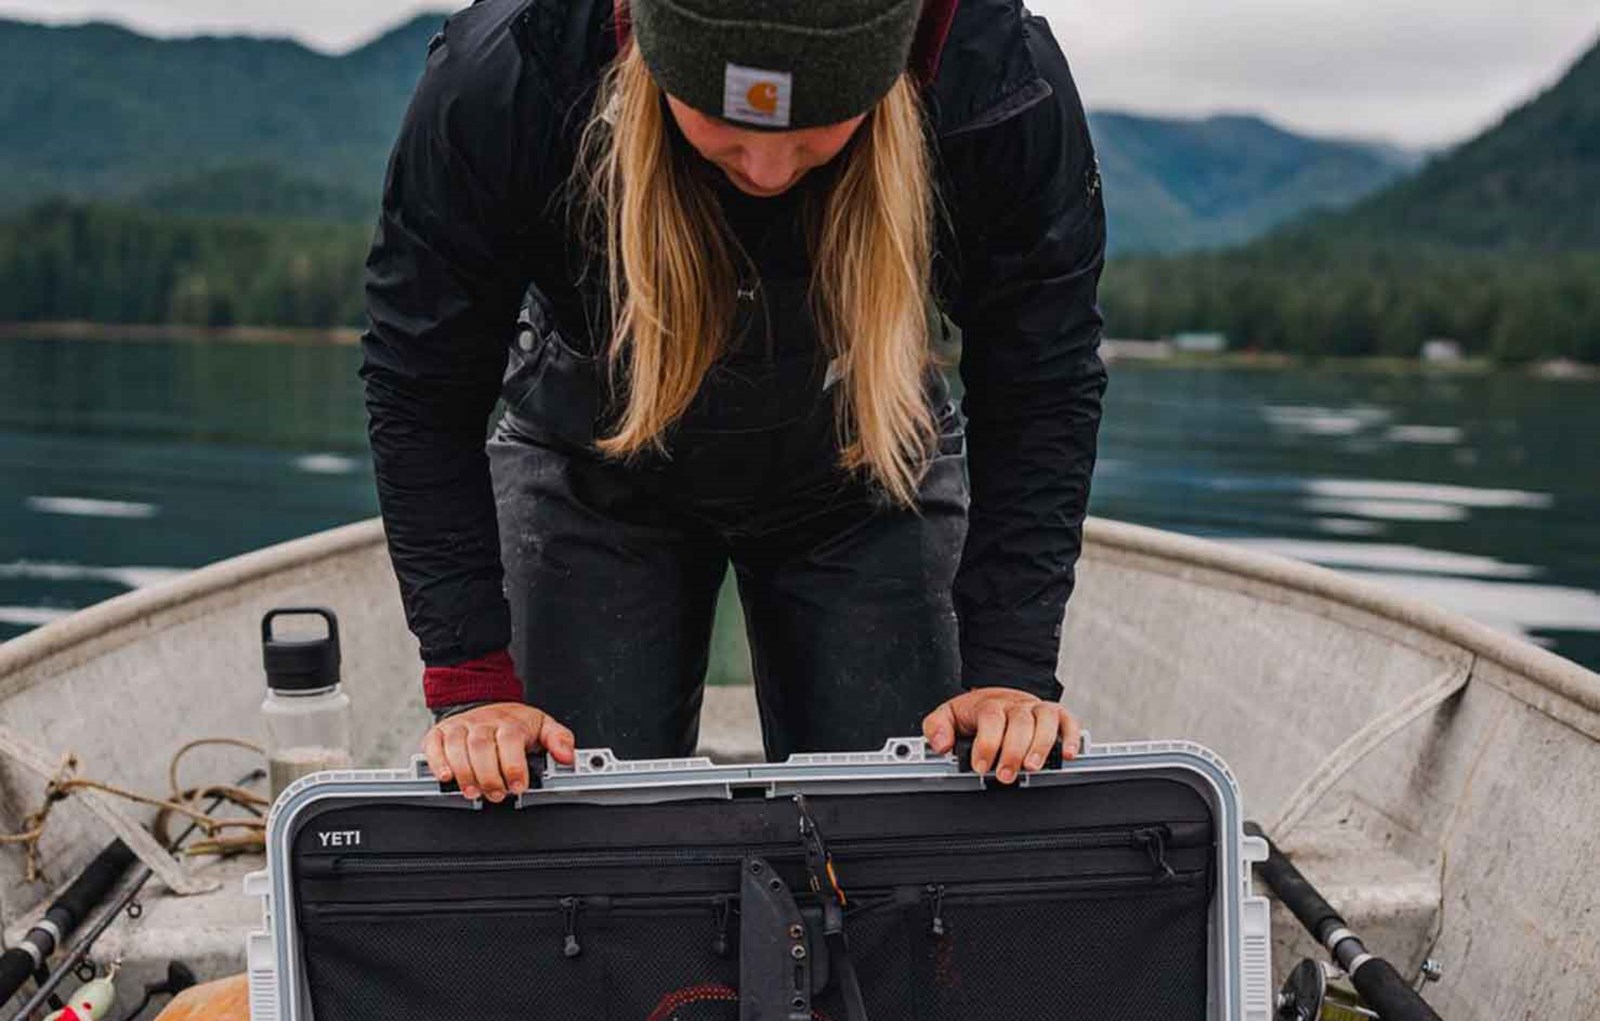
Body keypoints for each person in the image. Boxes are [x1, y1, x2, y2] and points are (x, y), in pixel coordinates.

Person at [363, 0, 1106, 801]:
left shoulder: (995, 81)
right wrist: (473, 678)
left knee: (906, 839)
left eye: (816, 125)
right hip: (593, 463)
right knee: (568, 838)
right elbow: (423, 385)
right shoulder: (511, 74)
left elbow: (1041, 381)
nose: (768, 171)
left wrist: (1009, 670)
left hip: (867, 462)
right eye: (727, 122)